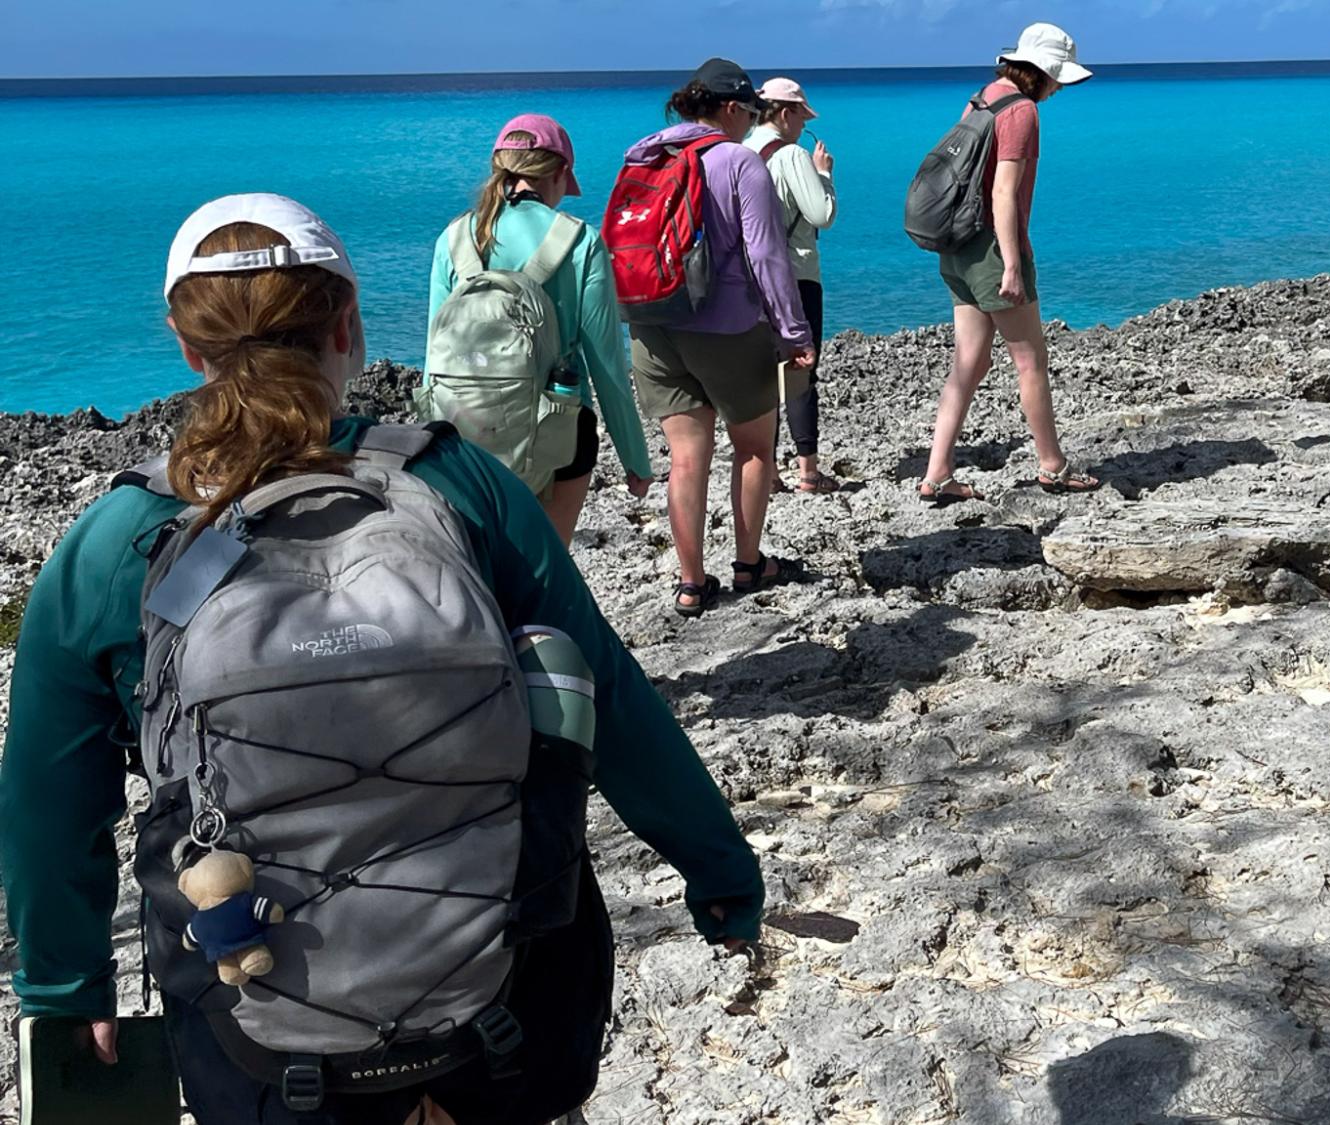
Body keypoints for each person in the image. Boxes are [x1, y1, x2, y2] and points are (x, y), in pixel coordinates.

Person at [0, 193, 763, 1125]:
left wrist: (65, 993)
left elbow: (49, 808)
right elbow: (605, 691)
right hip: (511, 1007)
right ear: (350, 326)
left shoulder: (115, 545)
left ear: (188, 347)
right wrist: (719, 872)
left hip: (258, 1035)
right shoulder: (457, 483)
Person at [624, 59, 816, 617]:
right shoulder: (739, 162)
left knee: (686, 459)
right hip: (727, 327)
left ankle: (690, 583)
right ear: (732, 109)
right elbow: (766, 254)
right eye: (751, 111)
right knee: (754, 448)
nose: (753, 121)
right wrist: (793, 331)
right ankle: (749, 563)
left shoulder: (644, 153)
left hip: (652, 325)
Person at [428, 113, 655, 545]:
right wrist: (635, 461)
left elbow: (432, 360)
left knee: (483, 573)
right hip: (558, 434)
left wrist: (434, 452)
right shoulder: (580, 241)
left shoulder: (454, 239)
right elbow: (607, 367)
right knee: (545, 573)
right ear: (560, 173)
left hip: (467, 435)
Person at [917, 22, 1100, 504]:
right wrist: (1013, 264)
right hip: (991, 251)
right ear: (1040, 72)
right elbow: (1002, 192)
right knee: (1030, 360)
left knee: (969, 363)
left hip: (956, 246)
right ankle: (1053, 466)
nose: (1059, 88)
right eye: (1058, 78)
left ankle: (936, 473)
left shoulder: (983, 97)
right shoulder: (1020, 112)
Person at [745, 78, 841, 496]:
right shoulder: (792, 155)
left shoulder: (740, 150)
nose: (805, 124)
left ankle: (765, 472)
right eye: (803, 115)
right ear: (785, 113)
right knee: (800, 372)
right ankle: (808, 471)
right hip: (796, 273)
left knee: (761, 376)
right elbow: (821, 215)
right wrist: (823, 176)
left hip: (748, 277)